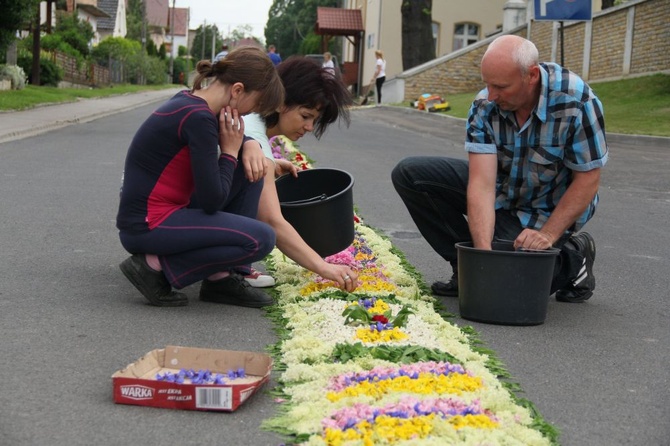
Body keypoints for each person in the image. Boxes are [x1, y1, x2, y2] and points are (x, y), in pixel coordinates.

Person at [391, 35, 609, 303]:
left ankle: (573, 256)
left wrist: (547, 235)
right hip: (503, 194)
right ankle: (466, 268)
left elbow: (588, 180)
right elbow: (482, 184)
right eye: (487, 84)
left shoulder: (577, 102)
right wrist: (483, 261)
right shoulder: (485, 104)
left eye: (500, 87)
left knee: (514, 290)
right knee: (411, 174)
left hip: (546, 212)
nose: (491, 95)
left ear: (530, 75)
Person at [117, 46, 285, 308]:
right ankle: (153, 266)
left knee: (252, 165)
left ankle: (222, 278)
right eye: (257, 104)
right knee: (261, 238)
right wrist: (230, 151)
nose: (252, 113)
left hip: (158, 216)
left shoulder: (190, 102)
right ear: (238, 90)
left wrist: (249, 144)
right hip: (148, 225)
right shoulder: (198, 118)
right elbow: (212, 200)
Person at [238, 56, 359, 291]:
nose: (309, 127)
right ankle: (230, 270)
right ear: (282, 102)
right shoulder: (257, 141)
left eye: (314, 120)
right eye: (305, 116)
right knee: (263, 234)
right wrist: (324, 268)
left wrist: (272, 165)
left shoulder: (251, 120)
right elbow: (272, 221)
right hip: (184, 219)